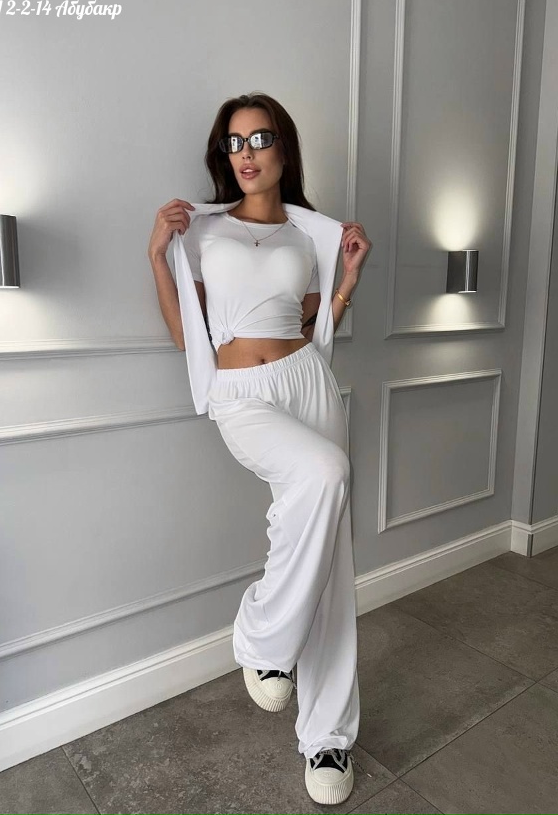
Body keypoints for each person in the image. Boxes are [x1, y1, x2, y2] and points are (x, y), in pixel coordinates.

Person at [148, 92, 371, 806]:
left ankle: (328, 737)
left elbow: (311, 325)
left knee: (332, 558)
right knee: (323, 474)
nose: (246, 153)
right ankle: (264, 639)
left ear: (284, 148)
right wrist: (158, 257)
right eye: (234, 142)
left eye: (259, 138)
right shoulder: (202, 233)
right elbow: (187, 335)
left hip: (306, 378)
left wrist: (346, 283)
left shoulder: (309, 236)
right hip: (241, 392)